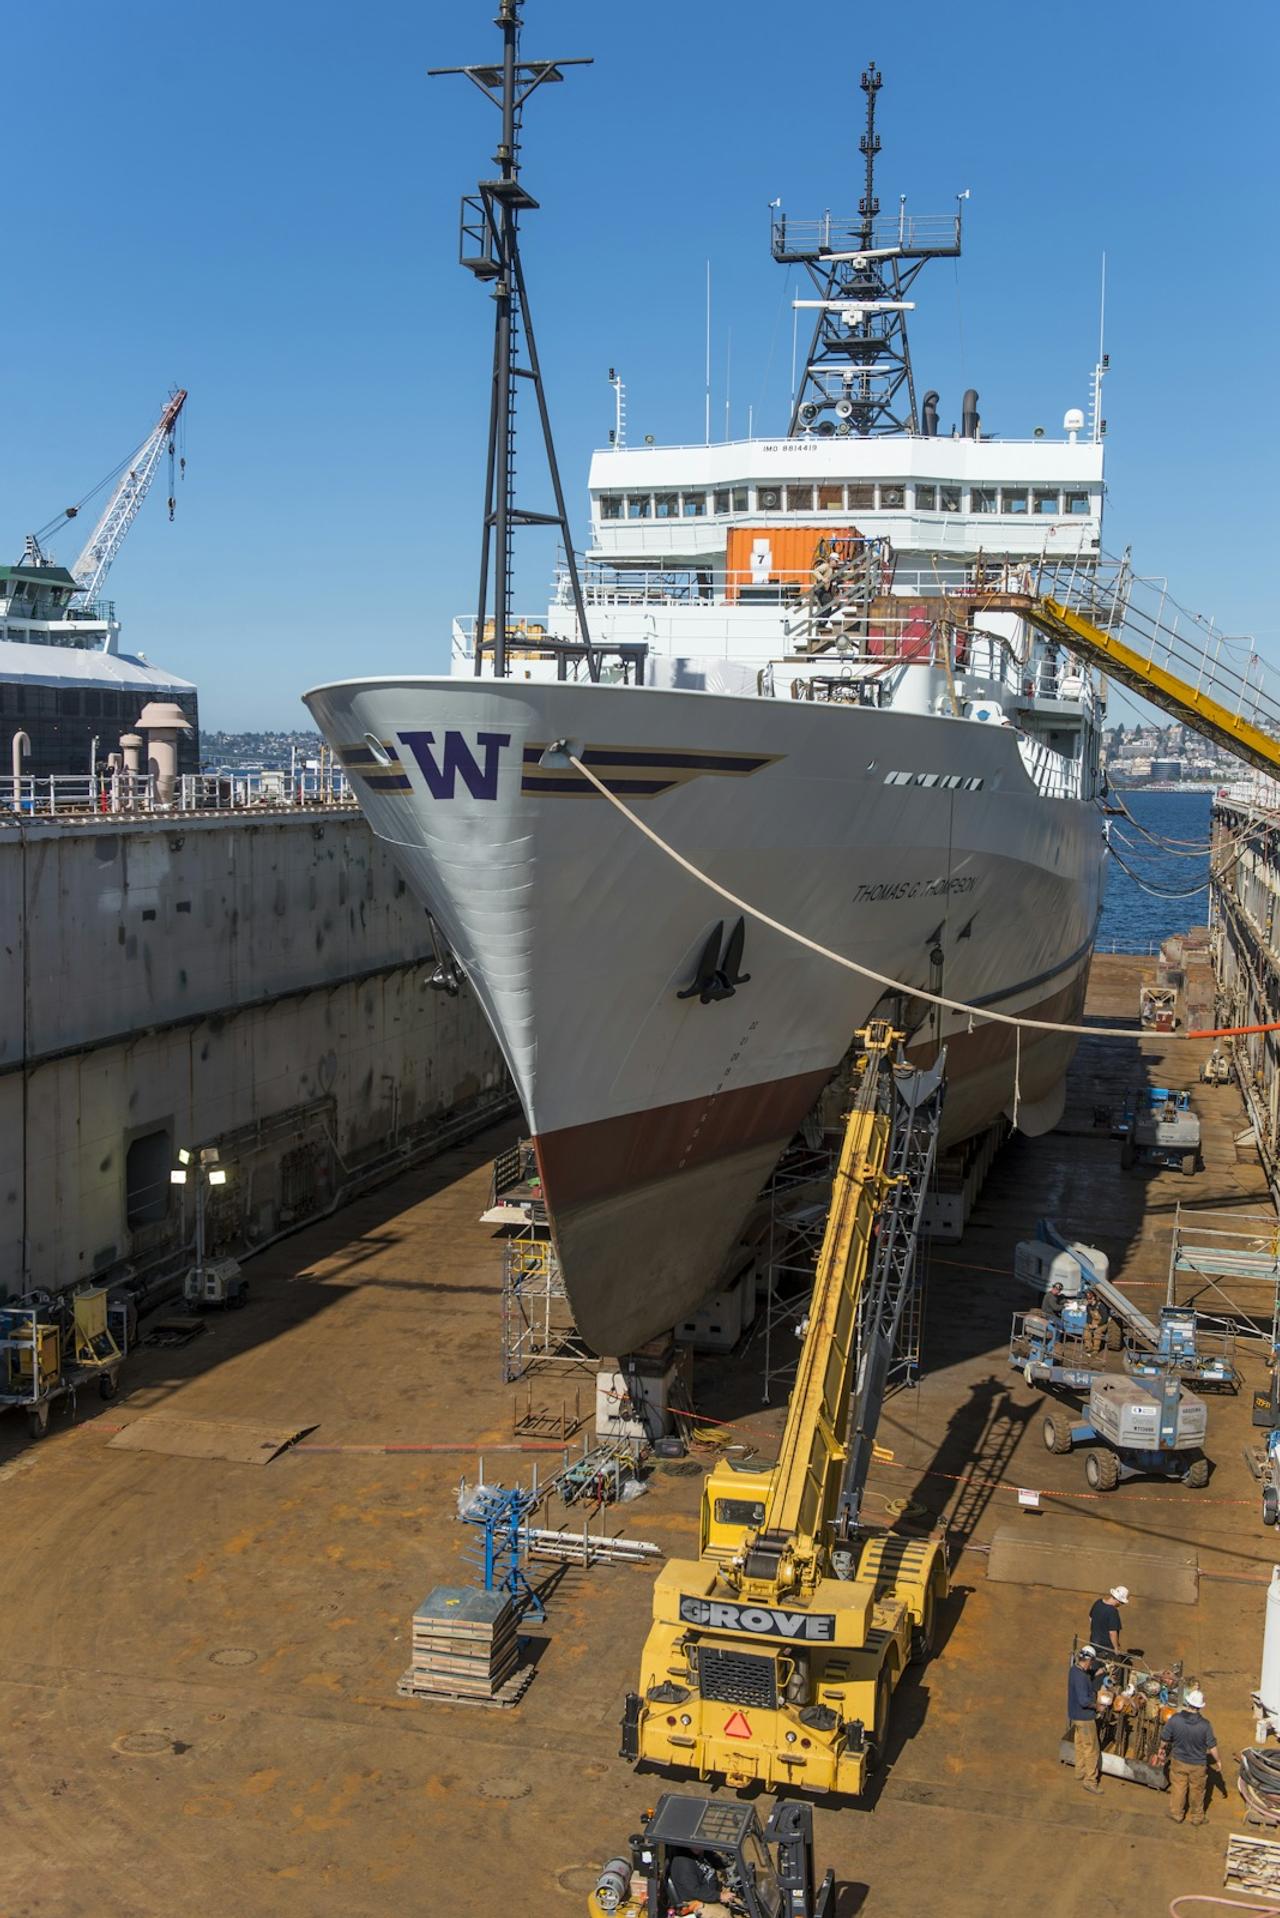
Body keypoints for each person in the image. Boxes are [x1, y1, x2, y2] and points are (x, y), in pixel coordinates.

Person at [1157, 1689, 1221, 1826]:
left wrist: (1161, 1749)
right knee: (1197, 1790)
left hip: (1179, 1761)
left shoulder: (1175, 1719)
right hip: (1198, 1765)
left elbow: (1164, 1738)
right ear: (1200, 1706)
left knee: (1179, 1787)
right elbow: (1212, 1746)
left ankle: (1176, 1814)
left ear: (1188, 1703)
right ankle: (1197, 1817)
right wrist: (1218, 1760)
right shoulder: (1205, 1725)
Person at [1068, 1645, 1103, 1794]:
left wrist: (1097, 1673)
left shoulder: (1074, 1671)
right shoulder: (1081, 1677)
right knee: (1092, 1750)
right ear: (1088, 1660)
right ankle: (1090, 1781)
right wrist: (1097, 1707)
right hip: (1085, 1718)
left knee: (1080, 1744)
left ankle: (1079, 1771)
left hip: (1075, 1716)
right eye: (1092, 1662)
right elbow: (1084, 1701)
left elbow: (1085, 1678)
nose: (1092, 1665)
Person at [1088, 1586, 1128, 1654]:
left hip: (1093, 1641)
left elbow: (1090, 1617)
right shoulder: (1113, 1611)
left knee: (1094, 1661)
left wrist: (1097, 1630)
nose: (1121, 1605)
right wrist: (1116, 1648)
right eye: (1122, 1603)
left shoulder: (1098, 1602)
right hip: (1106, 1647)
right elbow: (1112, 1632)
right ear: (1118, 1601)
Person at [1083, 1288, 1107, 1360]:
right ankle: (1088, 1347)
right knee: (1086, 1328)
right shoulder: (1088, 1306)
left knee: (1097, 1331)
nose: (1088, 1300)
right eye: (1087, 1299)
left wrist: (1097, 1325)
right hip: (1093, 1321)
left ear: (1093, 1298)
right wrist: (1089, 1323)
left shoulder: (1100, 1306)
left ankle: (1095, 1349)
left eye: (1090, 1299)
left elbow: (1105, 1318)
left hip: (1102, 1323)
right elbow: (1089, 1316)